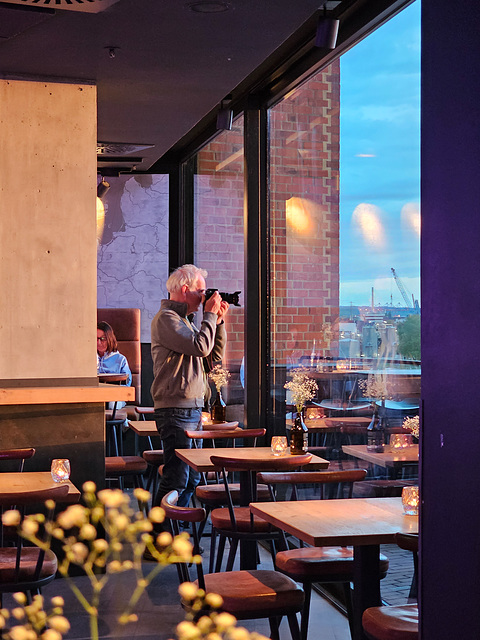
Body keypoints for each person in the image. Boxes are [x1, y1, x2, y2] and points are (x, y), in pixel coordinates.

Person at [151, 264, 229, 510]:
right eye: (202, 291)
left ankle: (176, 537)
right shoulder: (167, 319)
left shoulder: (186, 321)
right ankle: (157, 541)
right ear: (186, 290)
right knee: (176, 478)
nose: (205, 297)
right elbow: (200, 347)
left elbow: (212, 355)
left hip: (192, 408)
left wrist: (219, 321)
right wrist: (208, 316)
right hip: (176, 409)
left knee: (192, 477)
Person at [97, 321, 132, 410]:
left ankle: (122, 423)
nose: (99, 342)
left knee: (112, 404)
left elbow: (127, 384)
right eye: (95, 338)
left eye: (102, 339)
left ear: (110, 339)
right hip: (95, 396)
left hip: (114, 397)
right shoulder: (88, 359)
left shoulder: (120, 359)